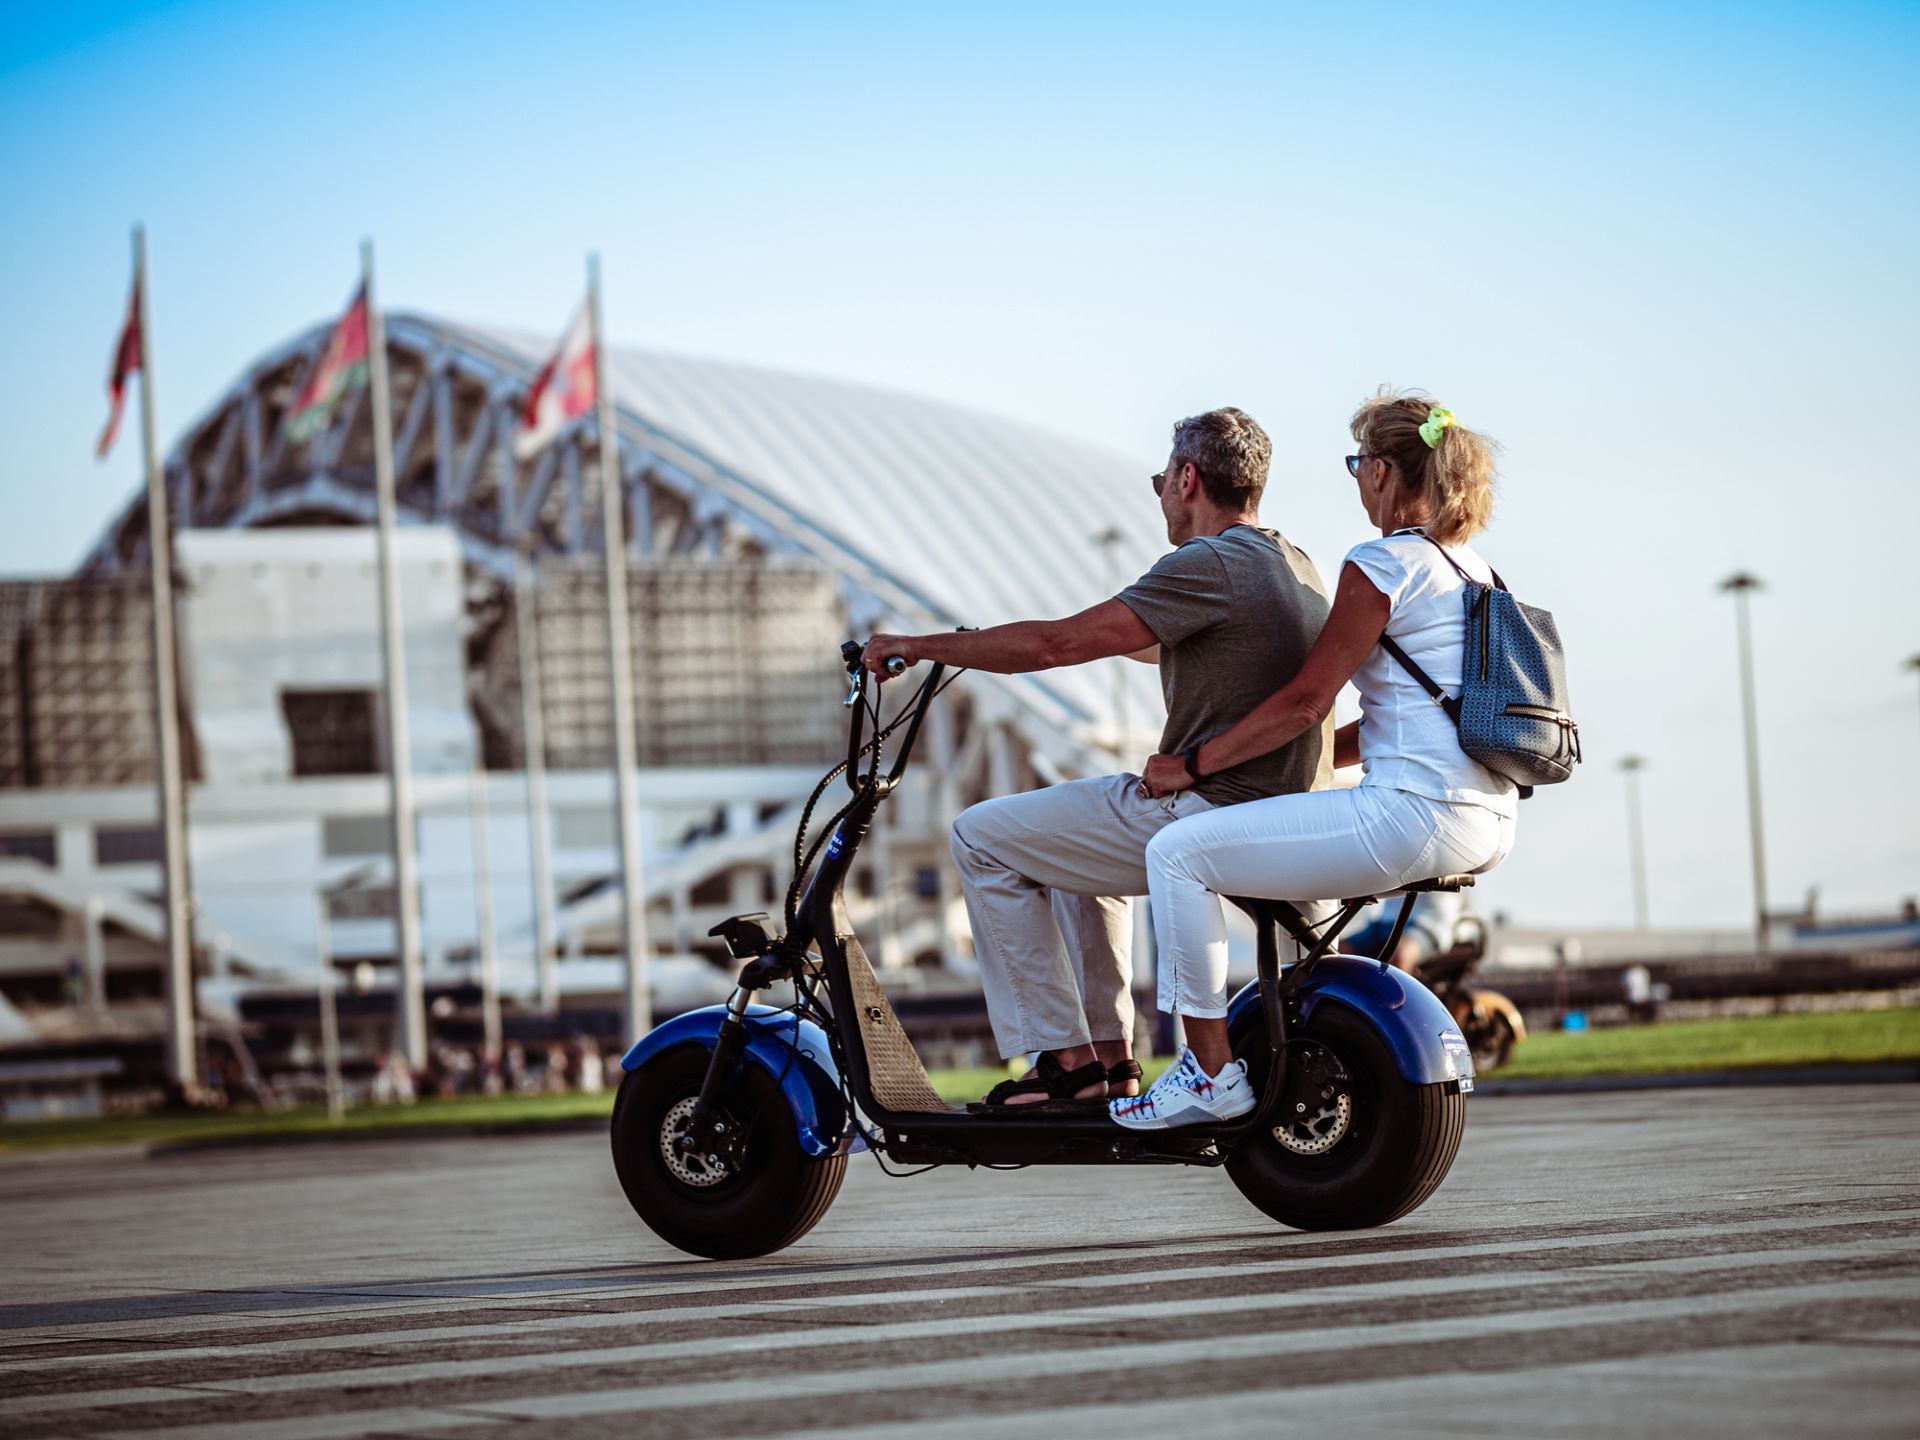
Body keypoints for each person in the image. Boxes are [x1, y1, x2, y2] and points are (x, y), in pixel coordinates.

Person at [863, 408, 1333, 1110]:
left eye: (1161, 483)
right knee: (1070, 849)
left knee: (981, 837)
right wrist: (1015, 644)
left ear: (1187, 478)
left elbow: (1056, 645)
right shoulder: (1291, 562)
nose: (1162, 499)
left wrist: (924, 645)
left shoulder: (1208, 562)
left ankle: (1064, 1059)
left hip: (1212, 810)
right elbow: (1132, 641)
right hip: (1278, 813)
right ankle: (1111, 1064)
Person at [1117, 390, 1519, 1129]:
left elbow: (1306, 701)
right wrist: (1319, 757)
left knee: (1176, 852)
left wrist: (1195, 764)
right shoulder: (1474, 571)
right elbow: (1405, 714)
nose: (1357, 476)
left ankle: (1207, 1074)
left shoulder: (1381, 562)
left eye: (1359, 461)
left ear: (1388, 473)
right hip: (1488, 816)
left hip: (1411, 814)